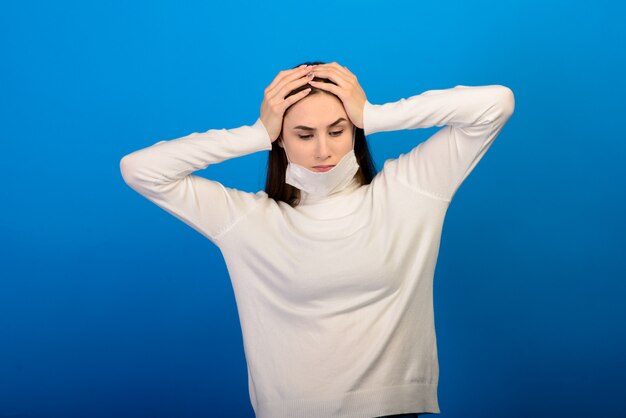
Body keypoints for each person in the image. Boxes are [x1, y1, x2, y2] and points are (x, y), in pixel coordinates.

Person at [120, 61, 515, 418]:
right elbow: (140, 169)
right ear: (280, 140)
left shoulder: (409, 191)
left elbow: (496, 103)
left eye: (338, 130)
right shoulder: (248, 221)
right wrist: (254, 134)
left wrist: (374, 114)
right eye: (304, 134)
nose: (323, 149)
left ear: (355, 131)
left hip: (395, 412)